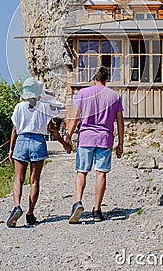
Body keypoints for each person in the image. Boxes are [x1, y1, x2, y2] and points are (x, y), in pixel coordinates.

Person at [7, 77, 71, 227]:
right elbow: (53, 130)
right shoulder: (45, 108)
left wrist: (11, 149)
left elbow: (14, 130)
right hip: (38, 142)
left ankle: (16, 206)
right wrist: (64, 144)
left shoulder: (19, 107)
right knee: (34, 180)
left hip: (21, 141)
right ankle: (30, 214)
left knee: (18, 178)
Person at [65, 65, 124, 223]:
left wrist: (69, 136)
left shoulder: (83, 93)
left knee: (81, 171)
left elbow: (75, 117)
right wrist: (120, 144)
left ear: (94, 78)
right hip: (105, 138)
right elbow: (120, 122)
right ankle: (97, 210)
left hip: (86, 137)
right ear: (107, 79)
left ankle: (78, 202)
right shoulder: (115, 96)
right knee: (101, 173)